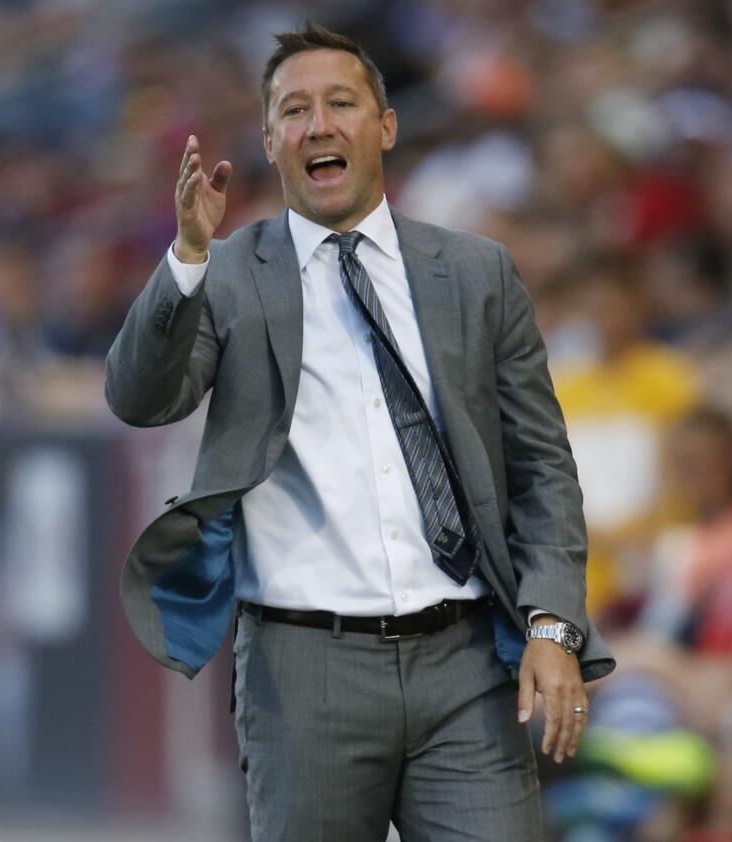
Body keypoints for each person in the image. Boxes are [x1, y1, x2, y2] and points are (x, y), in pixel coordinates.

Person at [103, 24, 613, 841]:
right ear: (270, 140)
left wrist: (552, 627)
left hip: (468, 666)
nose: (319, 125)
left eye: (342, 102)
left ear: (385, 126)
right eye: (294, 111)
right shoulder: (228, 274)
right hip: (303, 672)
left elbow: (543, 471)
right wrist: (188, 258)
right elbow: (139, 397)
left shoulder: (478, 273)